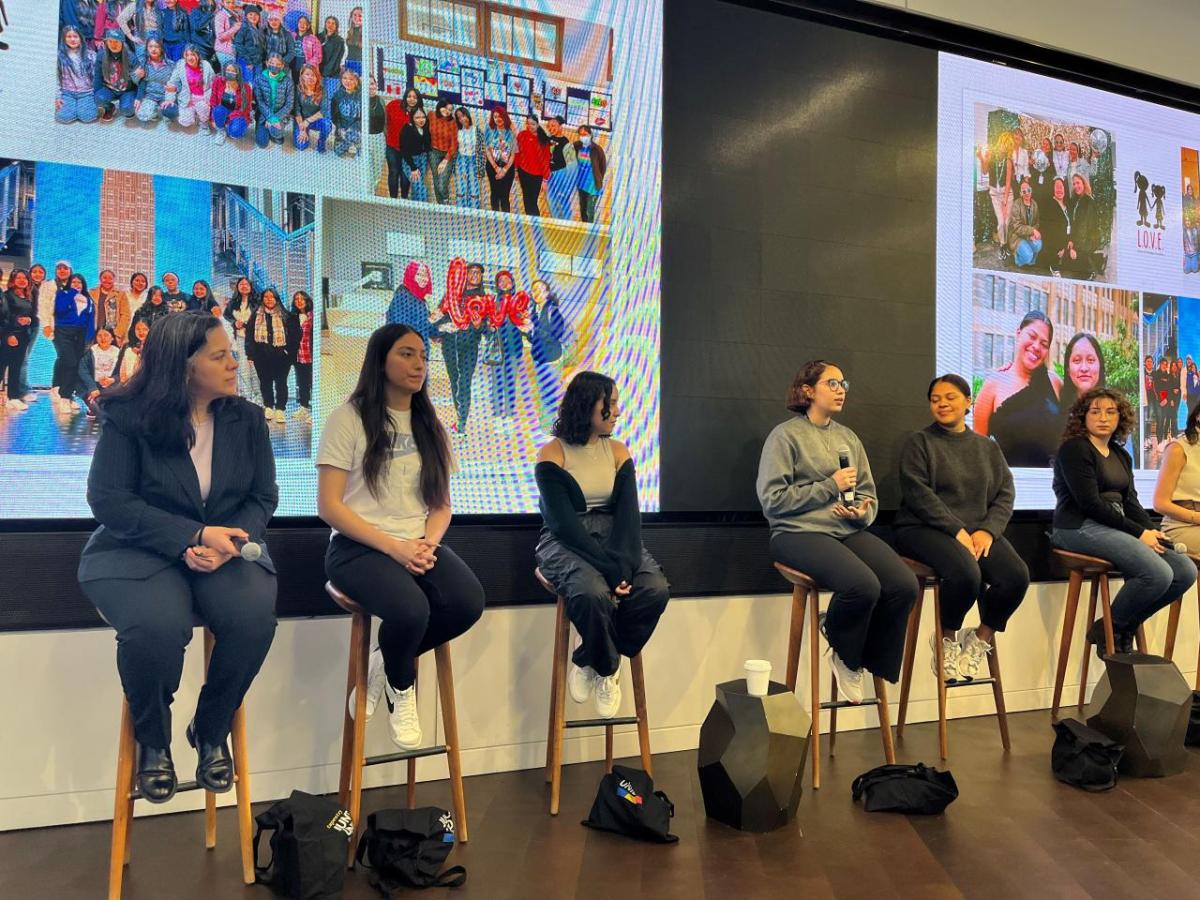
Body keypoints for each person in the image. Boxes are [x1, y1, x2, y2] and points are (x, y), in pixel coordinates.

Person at [78, 311, 278, 804]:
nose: (235, 363)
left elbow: (262, 497)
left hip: (223, 554)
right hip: (137, 549)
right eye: (220, 356)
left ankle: (211, 730)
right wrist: (194, 534)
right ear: (184, 366)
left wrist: (228, 544)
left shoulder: (247, 419)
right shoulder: (127, 416)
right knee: (157, 629)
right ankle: (153, 740)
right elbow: (110, 500)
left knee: (253, 619)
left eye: (230, 353)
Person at [318, 324, 484, 749]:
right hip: (359, 548)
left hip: (417, 544)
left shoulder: (432, 426)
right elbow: (329, 506)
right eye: (407, 354)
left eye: (423, 357)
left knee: (468, 602)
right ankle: (401, 687)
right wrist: (394, 547)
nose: (419, 365)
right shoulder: (348, 419)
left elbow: (441, 505)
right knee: (412, 611)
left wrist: (427, 544)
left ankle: (384, 663)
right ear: (381, 360)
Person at [756, 360, 918, 701]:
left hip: (845, 528)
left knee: (904, 585)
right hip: (796, 533)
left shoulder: (848, 438)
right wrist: (829, 486)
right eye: (832, 383)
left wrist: (861, 511)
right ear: (807, 390)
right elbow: (773, 501)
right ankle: (846, 651)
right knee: (863, 586)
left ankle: (861, 656)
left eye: (844, 383)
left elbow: (868, 496)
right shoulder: (785, 436)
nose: (841, 389)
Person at [535, 372, 669, 718]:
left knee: (655, 589)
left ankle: (589, 656)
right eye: (609, 404)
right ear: (586, 404)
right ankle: (608, 668)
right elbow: (564, 525)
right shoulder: (552, 453)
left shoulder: (619, 451)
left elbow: (628, 515)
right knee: (591, 593)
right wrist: (610, 572)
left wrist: (622, 565)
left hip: (617, 537)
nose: (617, 411)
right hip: (566, 541)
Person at [894, 374, 1028, 681]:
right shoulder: (920, 443)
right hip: (923, 528)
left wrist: (988, 531)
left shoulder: (987, 447)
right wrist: (956, 530)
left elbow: (1005, 493)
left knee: (1016, 577)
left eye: (950, 397)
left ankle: (980, 639)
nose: (942, 404)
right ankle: (947, 639)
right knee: (967, 574)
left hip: (976, 530)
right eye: (935, 399)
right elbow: (918, 494)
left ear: (968, 402)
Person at [1051, 387, 1196, 652]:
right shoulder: (1075, 450)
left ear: (1121, 417)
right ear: (1083, 417)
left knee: (1184, 572)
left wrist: (1152, 531)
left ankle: (1115, 627)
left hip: (1113, 525)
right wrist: (1140, 534)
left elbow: (1130, 503)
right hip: (1078, 526)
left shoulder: (1121, 455)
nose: (1103, 418)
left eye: (1110, 412)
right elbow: (1090, 504)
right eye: (1095, 412)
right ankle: (1113, 629)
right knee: (1156, 573)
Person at [973, 309, 1062, 468]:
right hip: (1010, 484)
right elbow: (979, 451)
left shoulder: (1055, 382)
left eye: (1044, 344)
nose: (1036, 347)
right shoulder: (993, 385)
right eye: (1032, 337)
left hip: (1051, 484)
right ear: (1019, 333)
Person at [439, 263, 489, 434]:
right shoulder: (452, 294)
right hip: (450, 346)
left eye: (478, 273)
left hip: (469, 347)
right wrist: (441, 329)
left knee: (464, 383)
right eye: (472, 272)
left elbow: (488, 329)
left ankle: (462, 422)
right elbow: (440, 314)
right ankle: (458, 415)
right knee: (455, 382)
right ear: (464, 275)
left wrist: (478, 325)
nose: (475, 275)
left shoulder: (484, 299)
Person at [526, 278, 570, 433]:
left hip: (552, 359)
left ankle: (551, 428)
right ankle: (546, 426)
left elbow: (555, 337)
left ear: (547, 293)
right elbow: (533, 339)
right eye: (534, 290)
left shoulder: (553, 311)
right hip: (539, 358)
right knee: (542, 393)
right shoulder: (534, 312)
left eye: (540, 290)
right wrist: (527, 331)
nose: (536, 293)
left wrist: (534, 328)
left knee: (549, 394)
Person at [1155, 400, 1200, 553]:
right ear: (1198, 416)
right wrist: (1197, 518)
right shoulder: (1178, 448)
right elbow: (1160, 503)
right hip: (1183, 525)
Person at [246, 287, 292, 423]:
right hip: (261, 354)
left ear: (276, 298)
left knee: (281, 383)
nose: (269, 299)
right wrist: (250, 354)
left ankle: (280, 408)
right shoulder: (256, 314)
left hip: (281, 355)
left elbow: (292, 334)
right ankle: (268, 406)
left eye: (271, 297)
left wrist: (288, 352)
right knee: (265, 382)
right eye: (266, 297)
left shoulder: (285, 314)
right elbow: (249, 335)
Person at [490, 270, 528, 429]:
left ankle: (509, 416)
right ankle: (498, 416)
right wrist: (489, 327)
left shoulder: (519, 302)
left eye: (508, 280)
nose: (504, 283)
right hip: (497, 349)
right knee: (498, 382)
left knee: (510, 382)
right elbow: (487, 324)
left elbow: (524, 323)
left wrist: (525, 319)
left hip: (514, 349)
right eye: (501, 281)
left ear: (512, 283)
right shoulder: (492, 302)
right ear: (497, 285)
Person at [54, 273, 96, 413]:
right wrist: (71, 292)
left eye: (79, 283)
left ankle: (69, 395)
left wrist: (89, 338)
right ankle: (64, 397)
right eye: (74, 282)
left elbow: (90, 320)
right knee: (69, 362)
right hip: (64, 332)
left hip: (81, 334)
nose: (77, 285)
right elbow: (60, 310)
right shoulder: (63, 294)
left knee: (76, 365)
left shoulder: (88, 299)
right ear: (69, 283)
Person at [1, 269, 36, 412]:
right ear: (12, 280)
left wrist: (29, 319)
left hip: (23, 336)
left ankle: (13, 397)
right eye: (19, 278)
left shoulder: (26, 296)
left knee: (16, 367)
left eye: (25, 278)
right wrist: (8, 335)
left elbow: (28, 315)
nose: (22, 280)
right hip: (10, 335)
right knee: (2, 366)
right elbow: (4, 317)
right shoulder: (7, 296)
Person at [385, 261, 434, 354]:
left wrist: (442, 329)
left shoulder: (420, 299)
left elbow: (425, 326)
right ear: (411, 275)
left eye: (425, 275)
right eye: (419, 274)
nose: (423, 278)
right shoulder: (403, 296)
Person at [163, 43, 214, 131]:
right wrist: (169, 99)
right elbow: (172, 82)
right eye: (187, 55)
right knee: (185, 122)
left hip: (202, 98)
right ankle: (193, 112)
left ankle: (203, 122)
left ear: (198, 55)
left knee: (203, 108)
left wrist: (208, 99)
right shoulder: (180, 65)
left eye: (193, 54)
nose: (190, 58)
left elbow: (213, 83)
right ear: (184, 56)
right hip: (188, 98)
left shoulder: (206, 65)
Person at [978, 132, 1013, 256]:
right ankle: (1003, 244)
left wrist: (1005, 199)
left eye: (1008, 146)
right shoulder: (991, 156)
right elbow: (984, 171)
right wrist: (983, 160)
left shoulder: (1008, 161)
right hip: (994, 194)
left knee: (1007, 221)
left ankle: (1005, 244)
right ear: (1000, 143)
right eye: (1005, 144)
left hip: (1007, 194)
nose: (1006, 148)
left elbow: (1008, 181)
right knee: (1001, 221)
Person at [57, 26, 100, 124]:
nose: (72, 39)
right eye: (69, 36)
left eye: (75, 36)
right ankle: (73, 107)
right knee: (64, 117)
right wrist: (58, 97)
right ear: (64, 39)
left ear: (81, 38)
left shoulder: (91, 55)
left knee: (87, 117)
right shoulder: (59, 56)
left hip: (87, 92)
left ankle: (82, 107)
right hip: (67, 93)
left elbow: (97, 78)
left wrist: (95, 94)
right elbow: (57, 79)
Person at [385, 88, 423, 199]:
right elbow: (384, 120)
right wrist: (386, 134)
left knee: (405, 174)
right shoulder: (394, 104)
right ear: (405, 96)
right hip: (392, 146)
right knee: (393, 172)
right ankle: (393, 200)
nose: (411, 99)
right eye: (409, 96)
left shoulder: (419, 113)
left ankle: (404, 199)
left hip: (407, 150)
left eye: (415, 97)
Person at [224, 276, 256, 400]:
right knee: (243, 368)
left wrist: (246, 325)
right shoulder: (233, 302)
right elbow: (227, 316)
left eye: (246, 284)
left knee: (256, 369)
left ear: (251, 287)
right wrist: (234, 323)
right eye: (241, 284)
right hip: (241, 339)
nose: (243, 286)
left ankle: (260, 399)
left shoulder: (257, 302)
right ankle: (247, 396)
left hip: (256, 340)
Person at [95, 28, 138, 120]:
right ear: (106, 42)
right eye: (110, 41)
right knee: (98, 98)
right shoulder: (101, 55)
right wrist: (96, 93)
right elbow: (97, 76)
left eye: (116, 42)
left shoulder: (131, 57)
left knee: (127, 110)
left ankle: (128, 106)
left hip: (127, 90)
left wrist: (139, 97)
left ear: (122, 43)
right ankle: (110, 108)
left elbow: (139, 80)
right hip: (109, 88)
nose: (113, 45)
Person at [78, 326, 122, 418]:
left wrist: (112, 380)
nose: (103, 338)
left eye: (106, 335)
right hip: (93, 387)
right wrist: (92, 388)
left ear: (112, 338)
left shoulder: (119, 352)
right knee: (94, 401)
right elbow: (82, 370)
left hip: (111, 387)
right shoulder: (90, 352)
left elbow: (122, 373)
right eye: (99, 335)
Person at [253, 52, 293, 148]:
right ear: (267, 63)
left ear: (282, 66)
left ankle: (274, 133)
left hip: (280, 115)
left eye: (278, 64)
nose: (274, 66)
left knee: (277, 132)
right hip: (264, 114)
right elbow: (260, 101)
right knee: (262, 143)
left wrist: (275, 119)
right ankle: (263, 128)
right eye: (272, 63)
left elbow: (289, 104)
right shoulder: (259, 79)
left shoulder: (288, 81)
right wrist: (270, 117)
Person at [515, 114, 550, 217]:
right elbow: (517, 153)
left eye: (533, 124)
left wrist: (545, 179)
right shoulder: (521, 135)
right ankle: (529, 223)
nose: (530, 126)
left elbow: (546, 160)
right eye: (528, 124)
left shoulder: (543, 140)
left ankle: (536, 224)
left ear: (538, 125)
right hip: (523, 172)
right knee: (526, 199)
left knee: (533, 202)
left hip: (537, 176)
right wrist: (516, 170)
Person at [1062, 172, 1096, 278]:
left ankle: (1092, 267)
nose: (1076, 186)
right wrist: (1071, 240)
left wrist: (1075, 249)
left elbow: (1084, 229)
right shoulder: (1075, 200)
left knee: (1077, 266)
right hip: (1077, 240)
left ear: (1084, 183)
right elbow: (1073, 224)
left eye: (1078, 183)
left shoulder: (1089, 202)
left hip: (1086, 242)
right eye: (1074, 184)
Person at [210, 60, 253, 142]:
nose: (230, 73)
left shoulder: (246, 87)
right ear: (224, 70)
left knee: (235, 133)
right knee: (218, 110)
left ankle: (230, 125)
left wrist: (231, 117)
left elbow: (246, 108)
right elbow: (213, 101)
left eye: (233, 71)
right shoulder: (218, 81)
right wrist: (213, 118)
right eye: (228, 70)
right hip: (222, 110)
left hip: (238, 113)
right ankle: (221, 130)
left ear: (238, 73)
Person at [133, 37, 174, 123]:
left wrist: (170, 99)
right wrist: (139, 98)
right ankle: (154, 111)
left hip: (165, 96)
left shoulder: (170, 65)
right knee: (141, 115)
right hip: (150, 96)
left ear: (161, 48)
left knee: (172, 112)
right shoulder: (144, 64)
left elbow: (175, 84)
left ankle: (163, 110)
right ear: (147, 48)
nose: (153, 49)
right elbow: (140, 83)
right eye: (150, 46)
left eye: (157, 46)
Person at [484, 106, 516, 213]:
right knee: (495, 193)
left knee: (505, 196)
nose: (498, 119)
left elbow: (513, 154)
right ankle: (495, 221)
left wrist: (505, 170)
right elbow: (488, 151)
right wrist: (496, 168)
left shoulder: (511, 132)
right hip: (493, 166)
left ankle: (506, 222)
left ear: (505, 117)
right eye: (495, 117)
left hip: (508, 167)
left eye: (500, 116)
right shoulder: (489, 129)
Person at [292, 63, 329, 152]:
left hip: (314, 120)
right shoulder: (298, 89)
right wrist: (302, 129)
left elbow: (323, 111)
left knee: (327, 124)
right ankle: (303, 132)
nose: (310, 77)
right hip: (301, 120)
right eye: (307, 74)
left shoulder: (322, 90)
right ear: (302, 76)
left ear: (317, 77)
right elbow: (297, 110)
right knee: (301, 146)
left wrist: (307, 121)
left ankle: (321, 141)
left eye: (313, 75)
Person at [574, 125, 606, 224]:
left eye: (585, 134)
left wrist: (598, 179)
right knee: (583, 209)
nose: (583, 136)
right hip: (581, 184)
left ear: (590, 135)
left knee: (589, 210)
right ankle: (585, 228)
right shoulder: (576, 146)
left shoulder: (597, 149)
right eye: (581, 134)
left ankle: (590, 232)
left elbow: (602, 167)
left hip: (593, 185)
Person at [545, 116, 576, 219]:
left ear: (560, 127)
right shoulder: (548, 139)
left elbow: (571, 164)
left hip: (560, 174)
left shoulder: (566, 142)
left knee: (562, 198)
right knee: (551, 200)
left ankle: (568, 222)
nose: (551, 128)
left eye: (553, 125)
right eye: (549, 126)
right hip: (549, 174)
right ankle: (556, 222)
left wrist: (568, 180)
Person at [428, 99, 458, 205]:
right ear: (440, 106)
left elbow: (454, 143)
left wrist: (446, 160)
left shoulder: (453, 122)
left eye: (450, 110)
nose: (447, 111)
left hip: (447, 154)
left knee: (442, 184)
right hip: (433, 152)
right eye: (445, 107)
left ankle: (445, 201)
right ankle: (440, 206)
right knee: (436, 180)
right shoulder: (431, 115)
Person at [289, 290, 313, 423]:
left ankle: (314, 412)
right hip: (299, 356)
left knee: (312, 383)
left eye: (301, 299)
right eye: (296, 299)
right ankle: (303, 407)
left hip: (311, 355)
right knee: (302, 382)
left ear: (307, 300)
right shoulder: (293, 316)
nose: (299, 301)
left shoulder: (313, 315)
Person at [1006, 179, 1041, 267]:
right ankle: (1017, 260)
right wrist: (1032, 231)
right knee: (1028, 256)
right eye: (1024, 191)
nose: (1027, 193)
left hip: (1028, 235)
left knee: (1038, 245)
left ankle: (1028, 259)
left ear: (1031, 190)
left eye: (1028, 190)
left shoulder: (1034, 204)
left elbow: (1037, 222)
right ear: (1021, 193)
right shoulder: (1016, 204)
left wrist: (1032, 234)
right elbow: (1016, 227)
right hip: (1016, 237)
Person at [399, 107, 432, 202]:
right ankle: (424, 212)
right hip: (410, 161)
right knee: (421, 189)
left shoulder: (425, 128)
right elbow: (404, 151)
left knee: (416, 188)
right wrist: (413, 168)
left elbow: (427, 144)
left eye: (423, 117)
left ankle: (415, 211)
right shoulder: (407, 129)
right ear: (412, 118)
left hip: (422, 159)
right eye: (417, 117)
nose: (421, 120)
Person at [452, 106, 481, 209]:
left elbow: (482, 151)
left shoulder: (476, 130)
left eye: (463, 116)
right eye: (459, 118)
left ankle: (474, 212)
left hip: (473, 160)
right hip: (461, 160)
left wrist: (480, 169)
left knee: (474, 189)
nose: (462, 119)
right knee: (461, 187)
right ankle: (460, 211)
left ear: (467, 115)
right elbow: (454, 148)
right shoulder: (457, 131)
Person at [1041, 177, 1071, 275]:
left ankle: (1098, 260)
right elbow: (1050, 232)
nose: (1059, 189)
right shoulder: (1050, 205)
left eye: (1061, 187)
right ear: (1052, 190)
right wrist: (1061, 248)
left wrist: (1069, 242)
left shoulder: (1067, 205)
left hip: (1067, 242)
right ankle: (1054, 267)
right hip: (1056, 246)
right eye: (1056, 187)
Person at [330, 67, 361, 158]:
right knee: (338, 151)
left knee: (354, 137)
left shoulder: (362, 95)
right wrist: (340, 128)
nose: (348, 81)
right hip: (342, 129)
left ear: (357, 80)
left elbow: (364, 118)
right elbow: (335, 116)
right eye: (345, 78)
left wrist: (352, 129)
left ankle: (360, 147)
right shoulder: (337, 95)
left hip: (357, 130)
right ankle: (345, 142)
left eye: (351, 79)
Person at [232, 2, 265, 84]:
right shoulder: (244, 27)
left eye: (256, 14)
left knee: (257, 84)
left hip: (258, 61)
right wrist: (248, 61)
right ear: (246, 15)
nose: (253, 17)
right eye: (250, 14)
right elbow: (238, 44)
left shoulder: (260, 29)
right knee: (247, 84)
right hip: (247, 62)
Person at [316, 15, 345, 100]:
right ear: (325, 24)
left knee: (329, 98)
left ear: (336, 26)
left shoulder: (339, 41)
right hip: (317, 73)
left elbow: (335, 60)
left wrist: (323, 74)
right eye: (328, 22)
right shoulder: (318, 37)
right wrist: (316, 71)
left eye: (333, 23)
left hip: (331, 75)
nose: (330, 25)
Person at [116, 317, 149, 384]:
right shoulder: (127, 346)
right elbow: (118, 369)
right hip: (126, 384)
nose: (141, 332)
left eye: (145, 329)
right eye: (138, 329)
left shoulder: (154, 347)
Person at [261, 9, 295, 74]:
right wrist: (268, 62)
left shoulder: (287, 34)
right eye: (271, 20)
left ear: (280, 21)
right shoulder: (264, 33)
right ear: (268, 21)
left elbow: (291, 52)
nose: (273, 22)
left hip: (282, 66)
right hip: (267, 66)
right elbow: (260, 50)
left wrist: (281, 62)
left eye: (276, 19)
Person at [1153, 356, 1174, 449]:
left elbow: (1170, 389)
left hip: (1167, 402)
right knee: (1160, 421)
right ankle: (1159, 442)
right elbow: (1155, 388)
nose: (1165, 366)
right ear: (1160, 364)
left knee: (1166, 421)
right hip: (1159, 402)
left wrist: (1167, 400)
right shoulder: (1156, 374)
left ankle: (1165, 441)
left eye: (1166, 364)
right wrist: (1161, 400)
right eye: (1163, 364)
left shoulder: (1168, 376)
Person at [213, 0, 241, 72]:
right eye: (228, 2)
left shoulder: (235, 15)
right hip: (224, 51)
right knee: (228, 75)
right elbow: (220, 37)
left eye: (232, 2)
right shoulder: (220, 15)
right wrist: (235, 28)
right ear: (222, 3)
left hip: (233, 50)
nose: (231, 5)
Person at [292, 15, 321, 84]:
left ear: (308, 26)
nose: (302, 25)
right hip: (292, 67)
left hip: (306, 69)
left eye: (305, 23)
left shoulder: (313, 39)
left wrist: (308, 65)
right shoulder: (292, 35)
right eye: (300, 22)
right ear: (297, 24)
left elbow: (318, 56)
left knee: (304, 88)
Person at [344, 6, 362, 76]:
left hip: (360, 63)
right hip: (349, 62)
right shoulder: (350, 31)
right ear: (351, 16)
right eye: (355, 15)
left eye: (360, 16)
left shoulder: (365, 32)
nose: (357, 18)